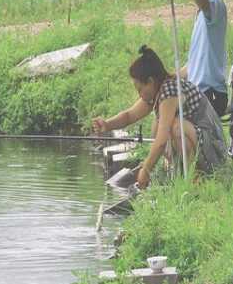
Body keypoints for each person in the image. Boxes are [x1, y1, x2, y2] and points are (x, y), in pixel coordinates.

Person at [92, 46, 226, 188]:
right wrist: (107, 124)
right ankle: (181, 173)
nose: (139, 94)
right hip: (197, 141)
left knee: (174, 127)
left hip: (212, 148)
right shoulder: (157, 92)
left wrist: (146, 169)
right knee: (157, 125)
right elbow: (129, 116)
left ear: (150, 82)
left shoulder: (170, 92)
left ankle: (195, 177)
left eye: (140, 89)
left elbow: (161, 140)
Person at [176, 0, 228, 117]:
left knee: (172, 120)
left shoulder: (215, 5)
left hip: (211, 94)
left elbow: (203, 2)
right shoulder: (201, 14)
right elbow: (195, 64)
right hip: (198, 93)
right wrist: (170, 76)